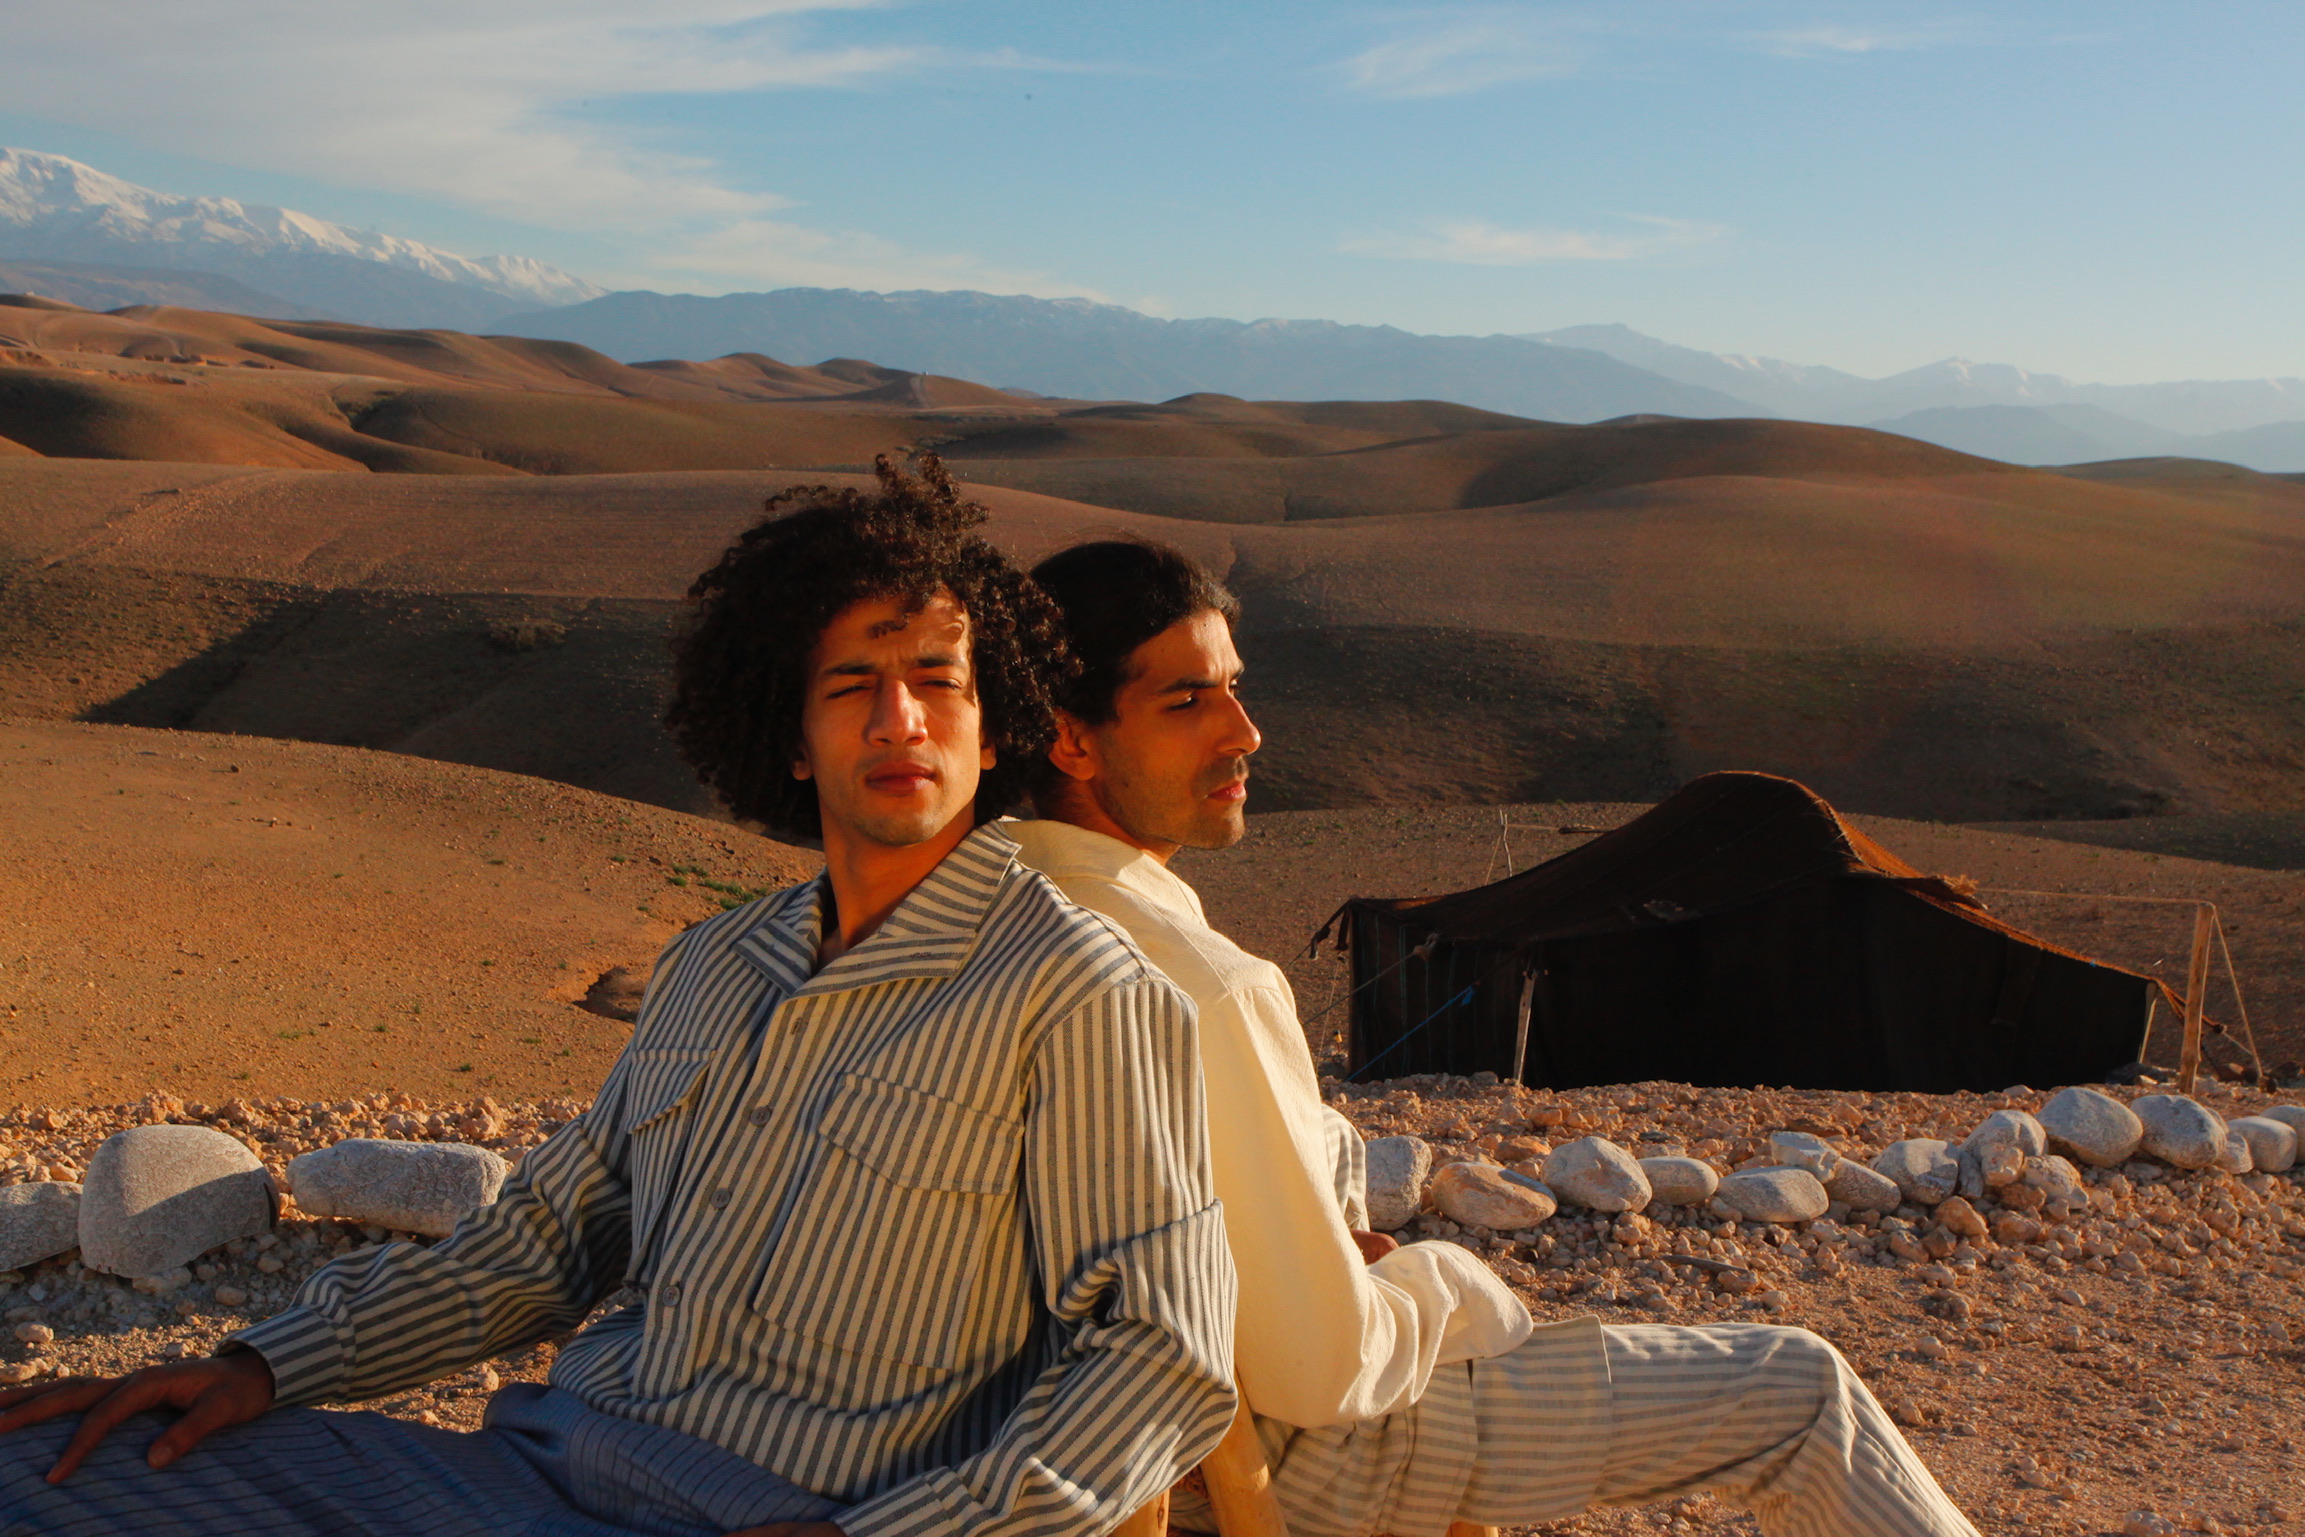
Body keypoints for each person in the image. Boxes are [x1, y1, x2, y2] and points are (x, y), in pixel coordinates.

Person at [0, 462, 1238, 1537]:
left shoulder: (1078, 991)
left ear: (993, 722)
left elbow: (1164, 1355)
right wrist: (259, 1365)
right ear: (792, 735)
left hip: (779, 1512)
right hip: (529, 1467)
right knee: (52, 1464)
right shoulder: (715, 963)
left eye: (937, 680)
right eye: (851, 681)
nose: (898, 718)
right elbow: (539, 1244)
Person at [1007, 538, 1984, 1537]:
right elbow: (1320, 1368)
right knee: (1800, 1389)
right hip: (1285, 1447)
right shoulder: (1201, 986)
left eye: (1235, 687)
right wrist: (1439, 1282)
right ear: (1071, 740)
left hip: (1078, 1435)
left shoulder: (991, 912)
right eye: (1186, 701)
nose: (1245, 731)